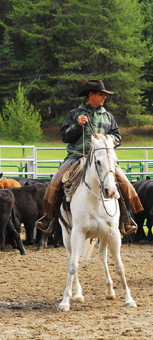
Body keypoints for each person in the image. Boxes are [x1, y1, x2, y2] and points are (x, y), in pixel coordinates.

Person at [36, 80, 143, 235]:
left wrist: (106, 138)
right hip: (77, 157)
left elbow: (118, 138)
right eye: (101, 94)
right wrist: (76, 126)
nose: (104, 98)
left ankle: (127, 219)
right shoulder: (74, 114)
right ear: (90, 95)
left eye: (104, 95)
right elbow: (65, 136)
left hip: (103, 159)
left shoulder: (108, 116)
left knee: (125, 183)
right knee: (54, 183)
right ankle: (49, 219)